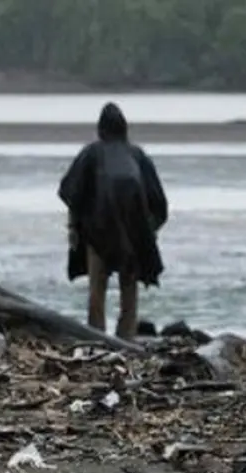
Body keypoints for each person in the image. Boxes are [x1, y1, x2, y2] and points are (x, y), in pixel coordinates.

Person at [58, 102, 168, 341]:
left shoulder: (91, 153)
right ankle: (126, 339)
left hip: (97, 234)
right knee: (129, 293)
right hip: (133, 234)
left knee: (97, 292)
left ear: (101, 128)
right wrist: (149, 232)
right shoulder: (137, 155)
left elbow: (71, 192)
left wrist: (74, 227)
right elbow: (158, 201)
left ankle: (97, 339)